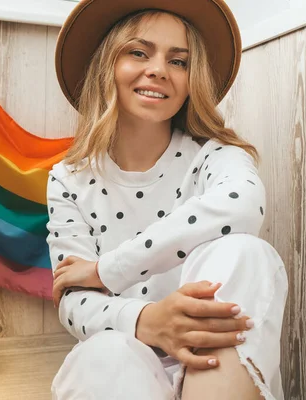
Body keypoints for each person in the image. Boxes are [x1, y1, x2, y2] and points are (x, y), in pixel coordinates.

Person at [46, 1, 288, 399]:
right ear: (107, 65)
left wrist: (107, 270)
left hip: (217, 361)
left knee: (248, 253)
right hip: (124, 359)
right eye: (138, 52)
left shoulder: (216, 157)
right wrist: (149, 319)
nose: (158, 69)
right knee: (103, 352)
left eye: (179, 61)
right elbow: (73, 301)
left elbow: (243, 206)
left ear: (193, 80)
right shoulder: (69, 180)